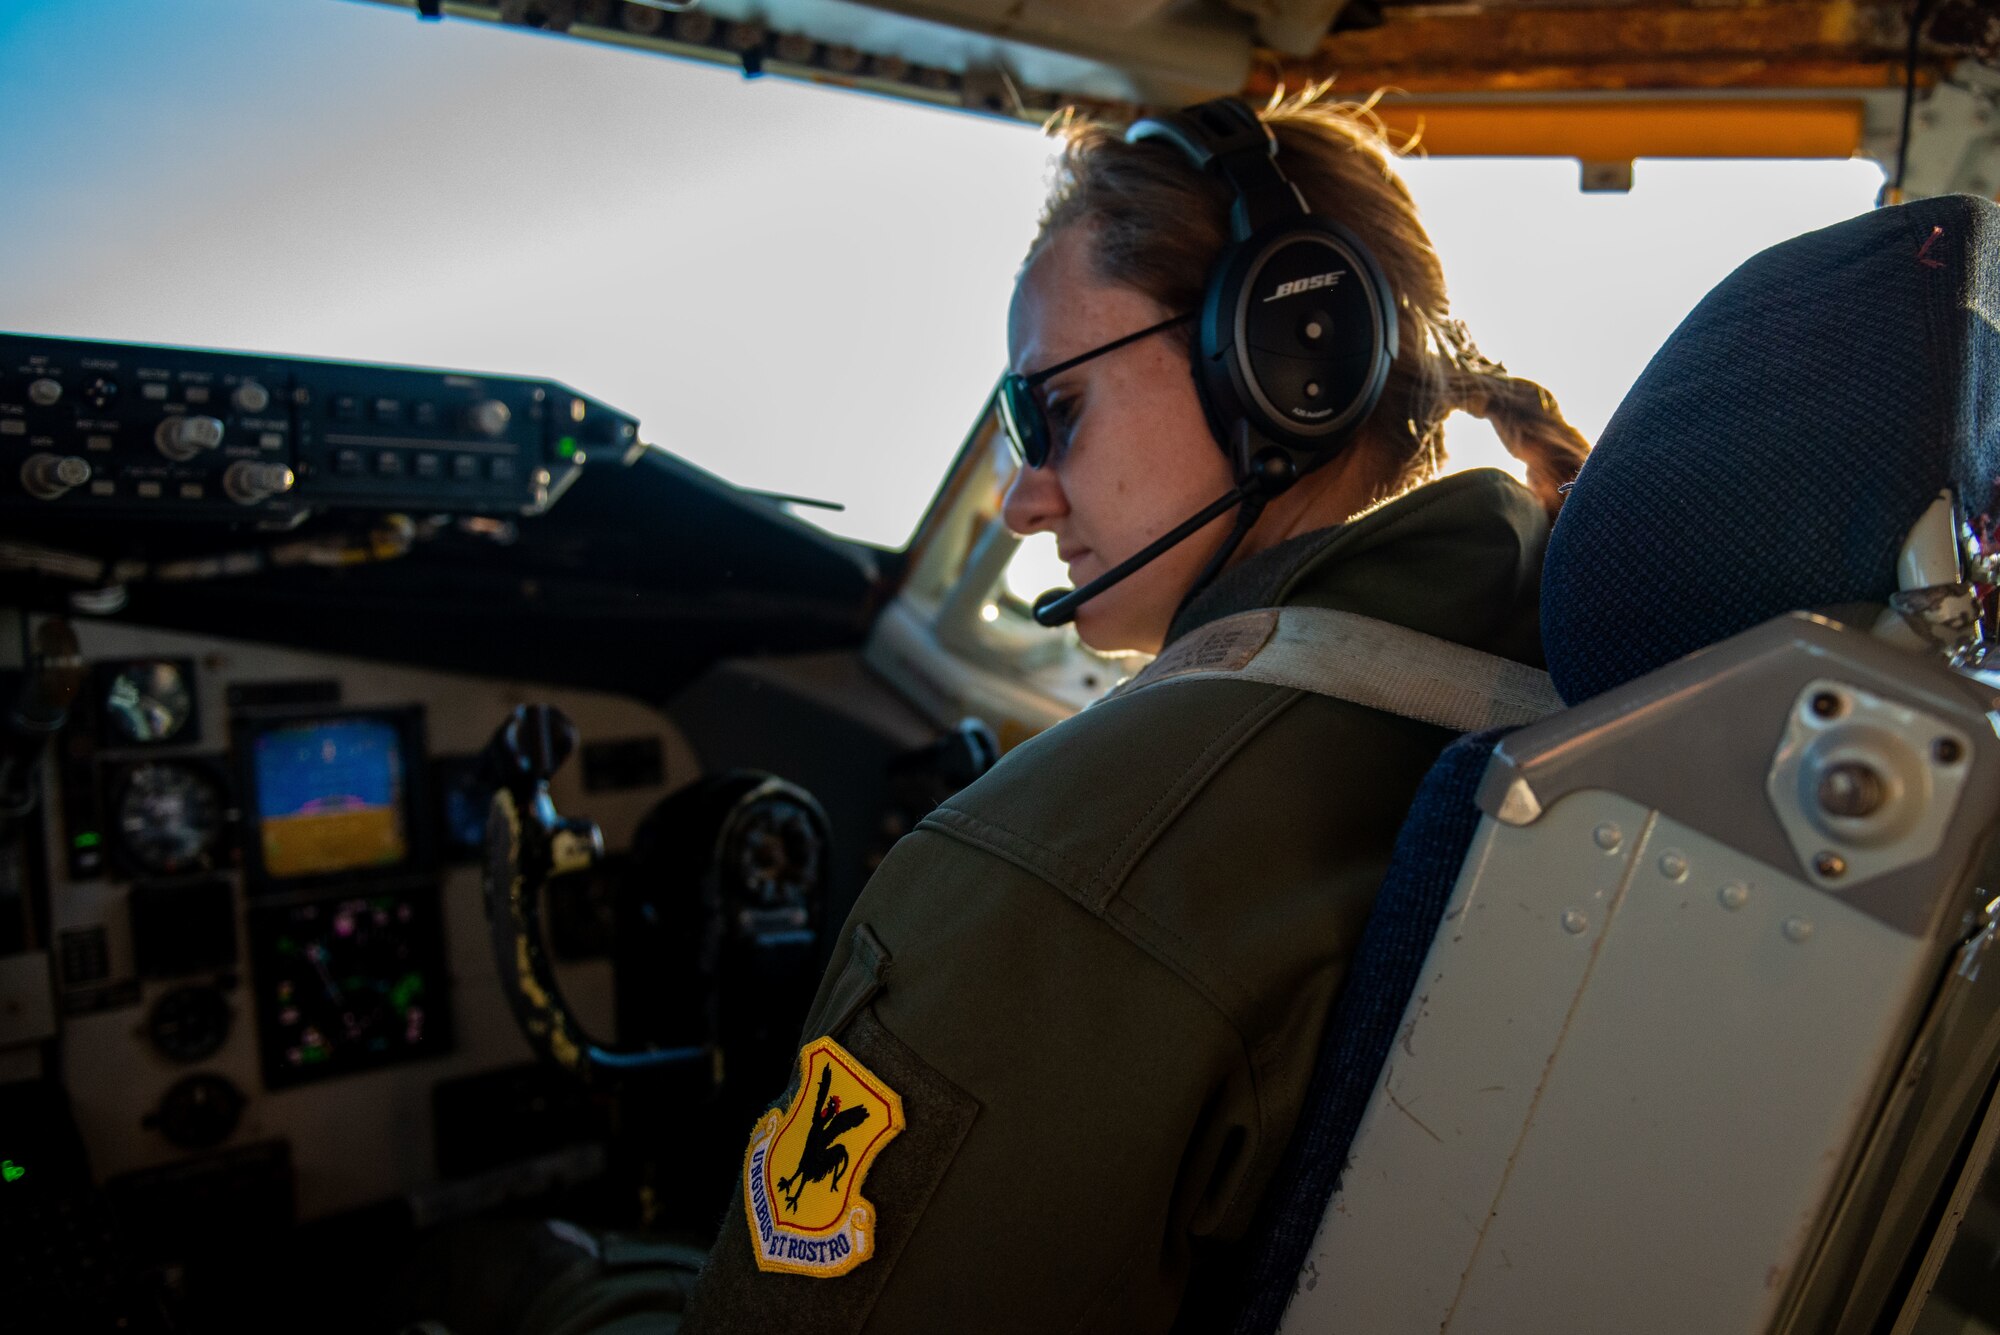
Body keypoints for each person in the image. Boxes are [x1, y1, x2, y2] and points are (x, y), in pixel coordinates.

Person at [683, 87, 1590, 1334]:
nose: (1021, 500)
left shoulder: (1044, 877)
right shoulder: (1563, 668)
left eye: (1049, 413)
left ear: (1292, 358)